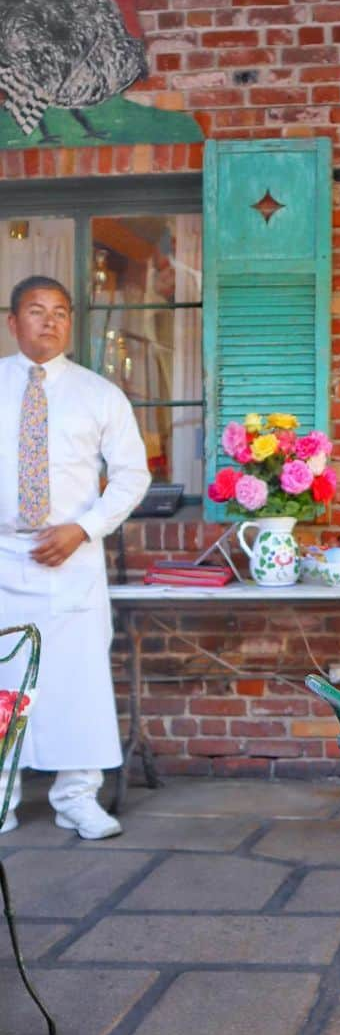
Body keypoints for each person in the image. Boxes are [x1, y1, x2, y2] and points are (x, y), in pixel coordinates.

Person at [0, 275, 150, 839]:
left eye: (60, 312)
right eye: (36, 311)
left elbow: (132, 476)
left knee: (77, 679)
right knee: (3, 680)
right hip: (3, 556)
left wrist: (84, 529)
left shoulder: (98, 394)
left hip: (73, 559)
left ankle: (77, 797)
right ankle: (1, 797)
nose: (49, 321)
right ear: (14, 322)